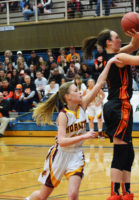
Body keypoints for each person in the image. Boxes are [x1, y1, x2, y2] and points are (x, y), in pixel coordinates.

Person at [25, 54, 120, 200]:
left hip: (76, 154)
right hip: (60, 155)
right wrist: (85, 136)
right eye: (76, 91)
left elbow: (99, 83)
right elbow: (62, 141)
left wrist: (109, 63)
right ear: (68, 97)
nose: (80, 92)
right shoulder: (63, 115)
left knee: (73, 194)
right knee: (43, 195)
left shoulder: (82, 104)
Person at [82, 28, 139, 200]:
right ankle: (114, 193)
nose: (119, 39)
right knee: (121, 152)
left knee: (128, 152)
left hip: (121, 106)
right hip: (118, 106)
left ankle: (126, 192)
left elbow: (133, 45)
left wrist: (135, 34)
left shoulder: (116, 55)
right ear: (108, 42)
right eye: (116, 37)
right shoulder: (119, 58)